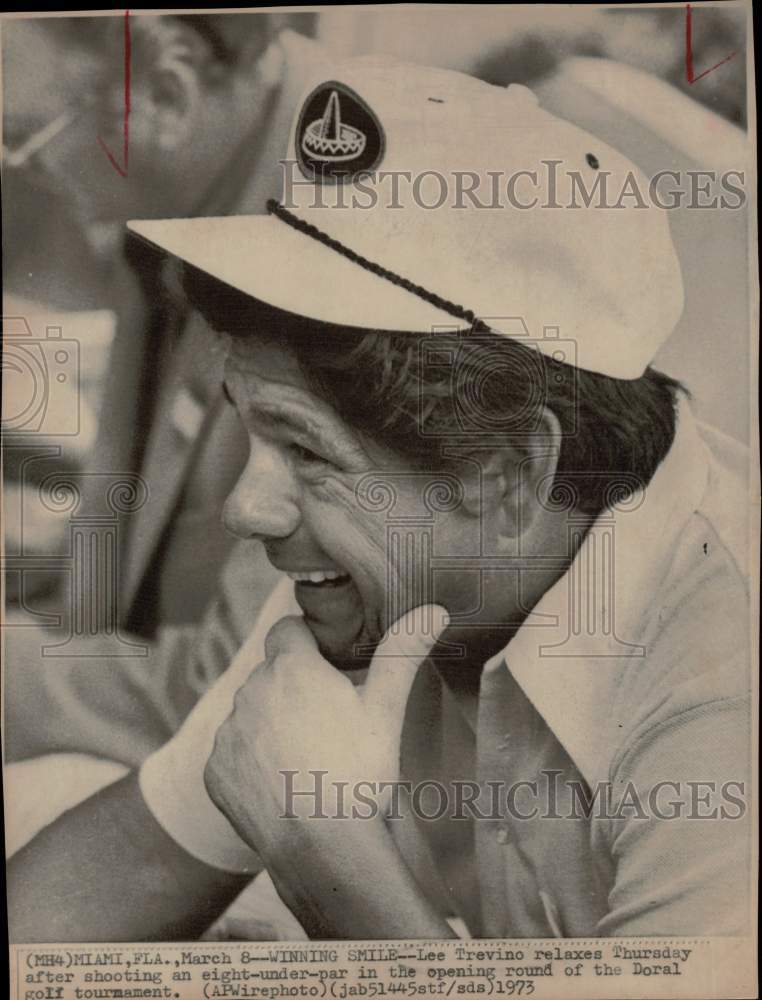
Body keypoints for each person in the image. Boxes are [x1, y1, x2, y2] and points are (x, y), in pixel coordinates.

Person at [7, 56, 751, 941]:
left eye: (308, 451)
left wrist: (326, 857)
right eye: (252, 429)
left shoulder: (725, 675)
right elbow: (115, 874)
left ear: (510, 475)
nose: (250, 509)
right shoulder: (386, 578)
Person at [2, 12, 323, 636]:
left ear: (166, 96)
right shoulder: (165, 217)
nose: (18, 169)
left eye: (21, 135)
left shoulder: (334, 264)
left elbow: (221, 676)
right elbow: (112, 569)